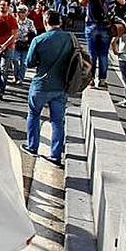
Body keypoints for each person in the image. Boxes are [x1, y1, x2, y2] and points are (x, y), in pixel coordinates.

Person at [22, 10, 74, 166]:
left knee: (33, 114)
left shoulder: (39, 39)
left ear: (45, 22)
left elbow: (29, 62)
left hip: (40, 85)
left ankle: (32, 147)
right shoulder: (70, 39)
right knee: (58, 121)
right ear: (60, 21)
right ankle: (55, 155)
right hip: (61, 85)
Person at [78, 0, 116, 89]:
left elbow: (81, 2)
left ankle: (91, 80)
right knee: (104, 55)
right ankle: (103, 80)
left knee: (92, 54)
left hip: (91, 24)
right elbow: (113, 8)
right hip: (106, 26)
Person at [12, 4, 38, 86]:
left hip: (25, 45)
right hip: (16, 43)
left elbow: (34, 33)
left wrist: (28, 37)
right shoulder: (14, 21)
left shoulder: (30, 22)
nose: (22, 14)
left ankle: (20, 78)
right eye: (20, 12)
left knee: (23, 63)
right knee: (15, 60)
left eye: (23, 12)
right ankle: (15, 76)